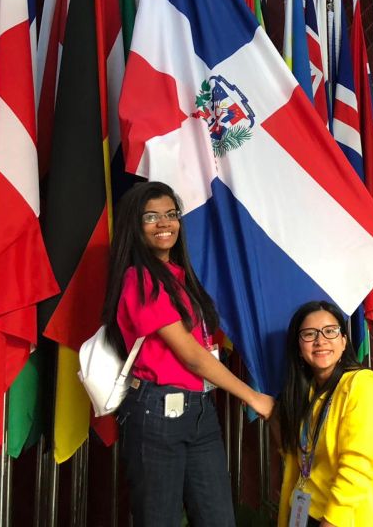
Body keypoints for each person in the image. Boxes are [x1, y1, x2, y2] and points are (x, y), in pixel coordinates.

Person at [102, 181, 274, 527]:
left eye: (171, 214)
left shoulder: (180, 276)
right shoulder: (140, 279)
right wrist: (253, 397)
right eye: (151, 217)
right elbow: (191, 356)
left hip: (200, 411)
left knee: (218, 519)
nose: (164, 224)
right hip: (155, 414)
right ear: (135, 225)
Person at [276, 301, 373, 527]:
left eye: (330, 331)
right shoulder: (306, 393)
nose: (320, 340)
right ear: (298, 348)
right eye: (309, 334)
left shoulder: (363, 385)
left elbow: (357, 465)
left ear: (344, 341)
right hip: (305, 511)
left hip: (348, 519)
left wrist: (331, 522)